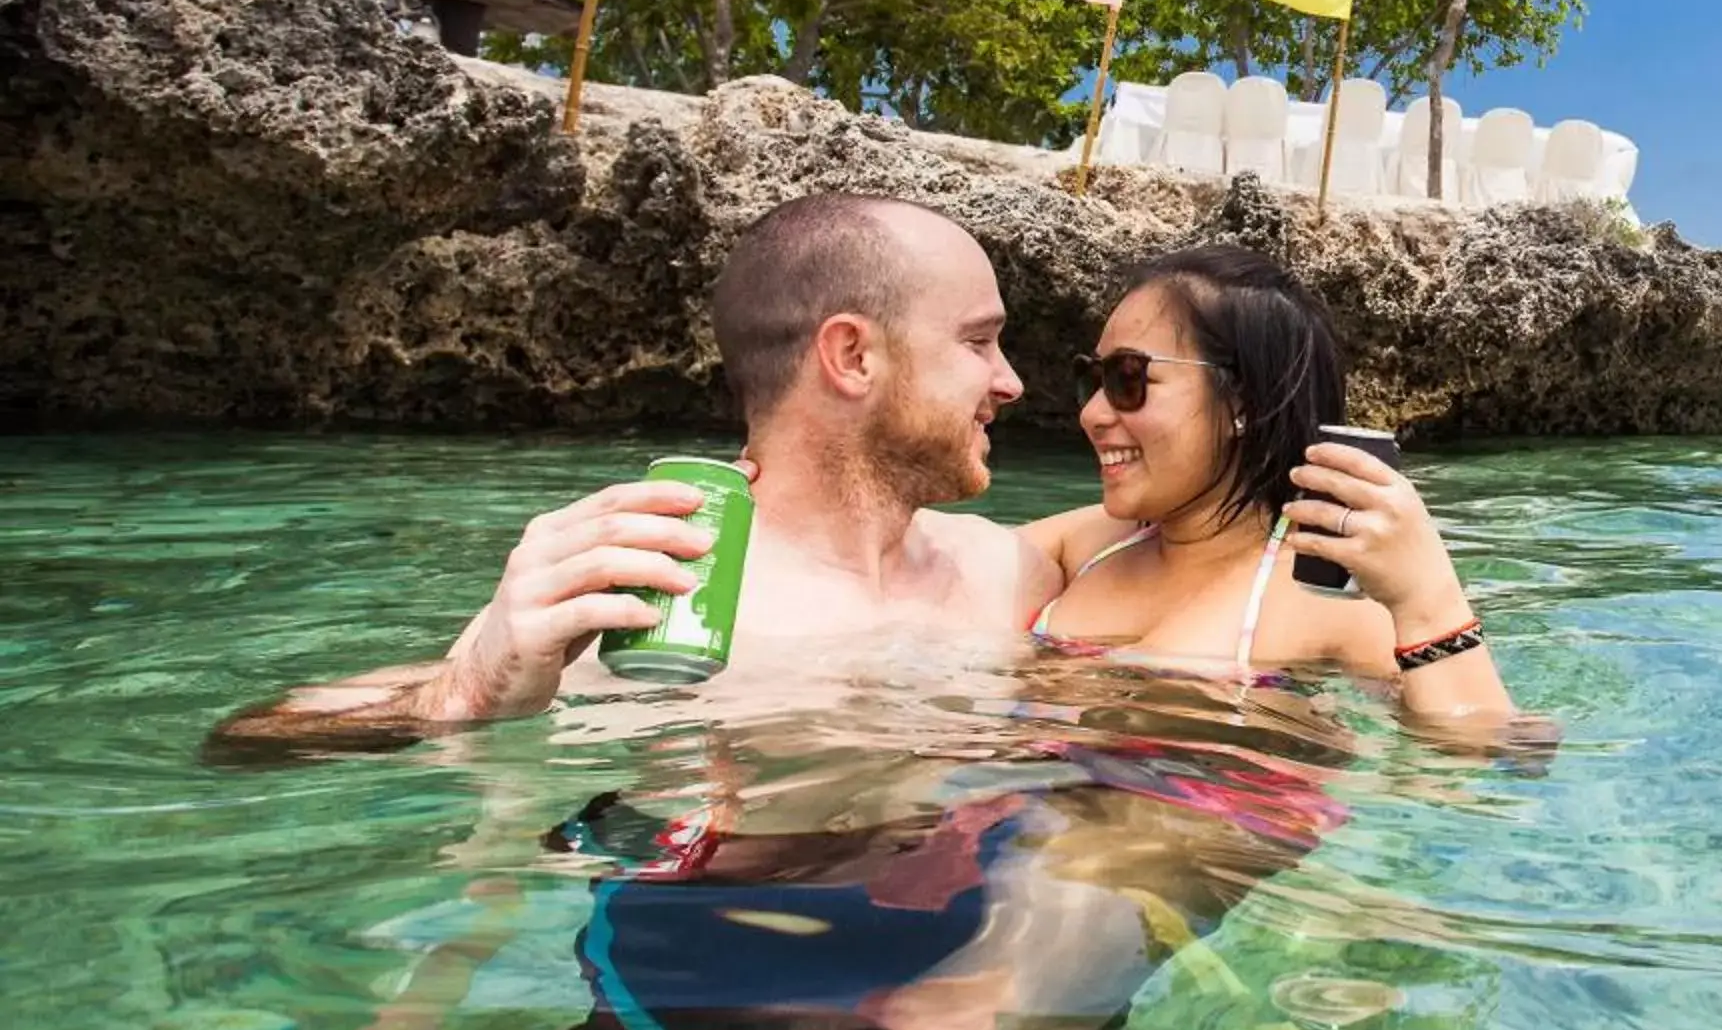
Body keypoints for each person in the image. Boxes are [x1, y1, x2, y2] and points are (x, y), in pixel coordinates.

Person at [210, 193, 1036, 749]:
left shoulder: (1006, 565)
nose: (1012, 382)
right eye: (977, 341)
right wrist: (458, 695)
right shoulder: (650, 596)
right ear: (852, 355)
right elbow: (251, 737)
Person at [1018, 242, 1516, 727]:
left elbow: (1492, 752)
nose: (1091, 413)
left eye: (1128, 379)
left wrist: (1429, 601)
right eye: (1093, 378)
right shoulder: (1090, 543)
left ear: (1242, 403)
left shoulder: (1323, 604)